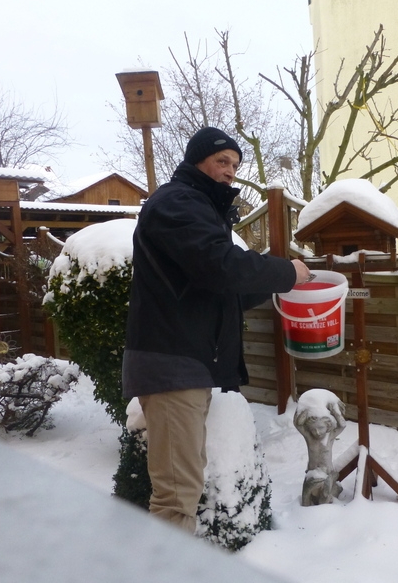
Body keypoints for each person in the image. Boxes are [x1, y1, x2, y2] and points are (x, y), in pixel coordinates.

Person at [122, 126, 311, 533]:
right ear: (197, 161)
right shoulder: (177, 203)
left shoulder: (199, 209)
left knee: (181, 487)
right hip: (172, 364)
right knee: (176, 497)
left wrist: (274, 284)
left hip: (185, 364)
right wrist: (284, 271)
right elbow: (221, 265)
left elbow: (218, 289)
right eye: (222, 161)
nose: (230, 171)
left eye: (235, 165)